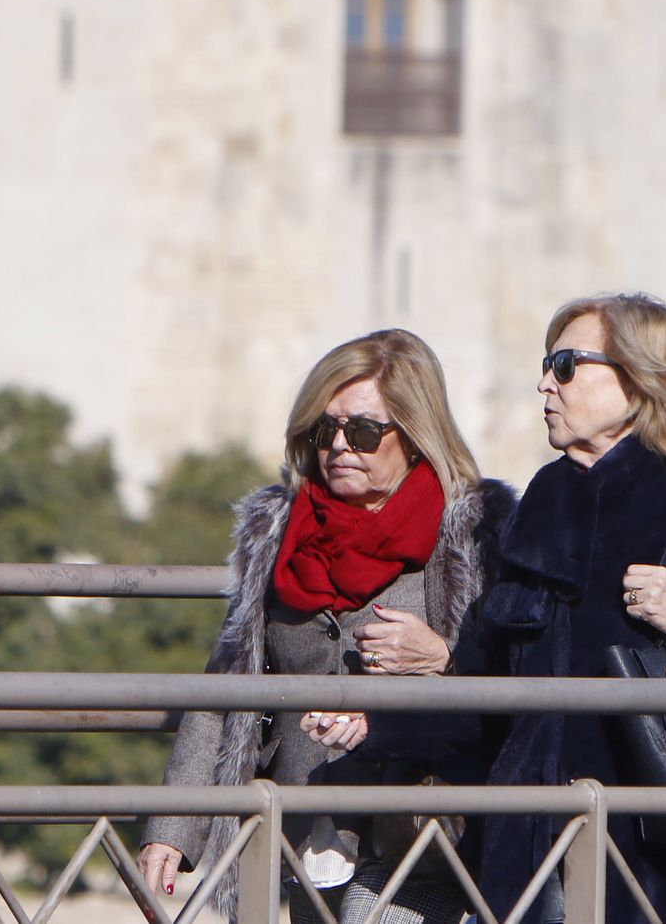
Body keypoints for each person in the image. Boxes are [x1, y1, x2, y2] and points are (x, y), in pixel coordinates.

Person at [349, 293, 666, 923]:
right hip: (542, 861)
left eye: (567, 364)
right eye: (546, 363)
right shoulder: (542, 504)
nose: (545, 382)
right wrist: (376, 724)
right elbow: (491, 693)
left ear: (643, 379)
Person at [136, 328, 515, 924]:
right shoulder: (278, 531)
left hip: (416, 827)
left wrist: (444, 656)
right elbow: (225, 686)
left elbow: (515, 675)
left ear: (415, 436)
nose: (340, 445)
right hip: (300, 819)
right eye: (325, 429)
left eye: (363, 431)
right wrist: (174, 825)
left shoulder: (470, 532)